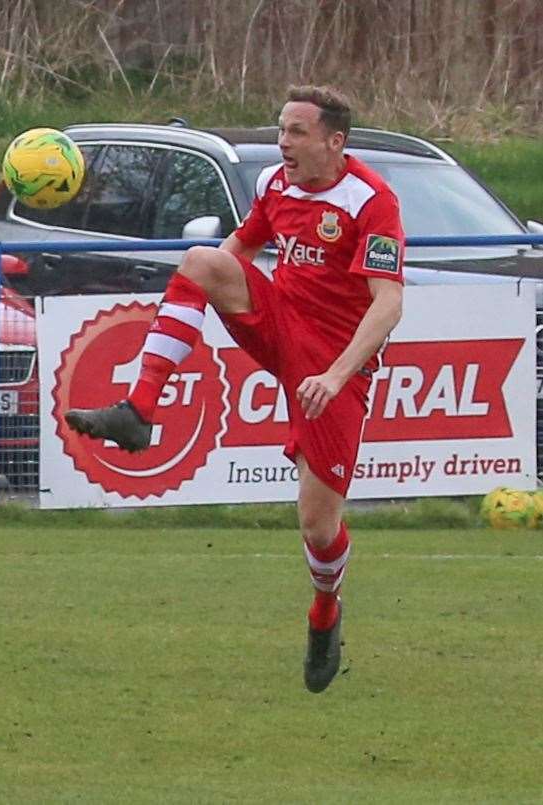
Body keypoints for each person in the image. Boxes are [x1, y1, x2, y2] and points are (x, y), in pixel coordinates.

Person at [65, 85, 404, 694]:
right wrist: (199, 303)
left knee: (317, 527)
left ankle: (324, 612)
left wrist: (336, 374)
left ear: (335, 141)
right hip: (279, 322)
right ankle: (139, 410)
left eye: (297, 131)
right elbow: (240, 247)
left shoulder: (371, 200)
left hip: (332, 362)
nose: (283, 142)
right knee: (199, 260)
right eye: (281, 129)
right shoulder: (275, 184)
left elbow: (389, 304)